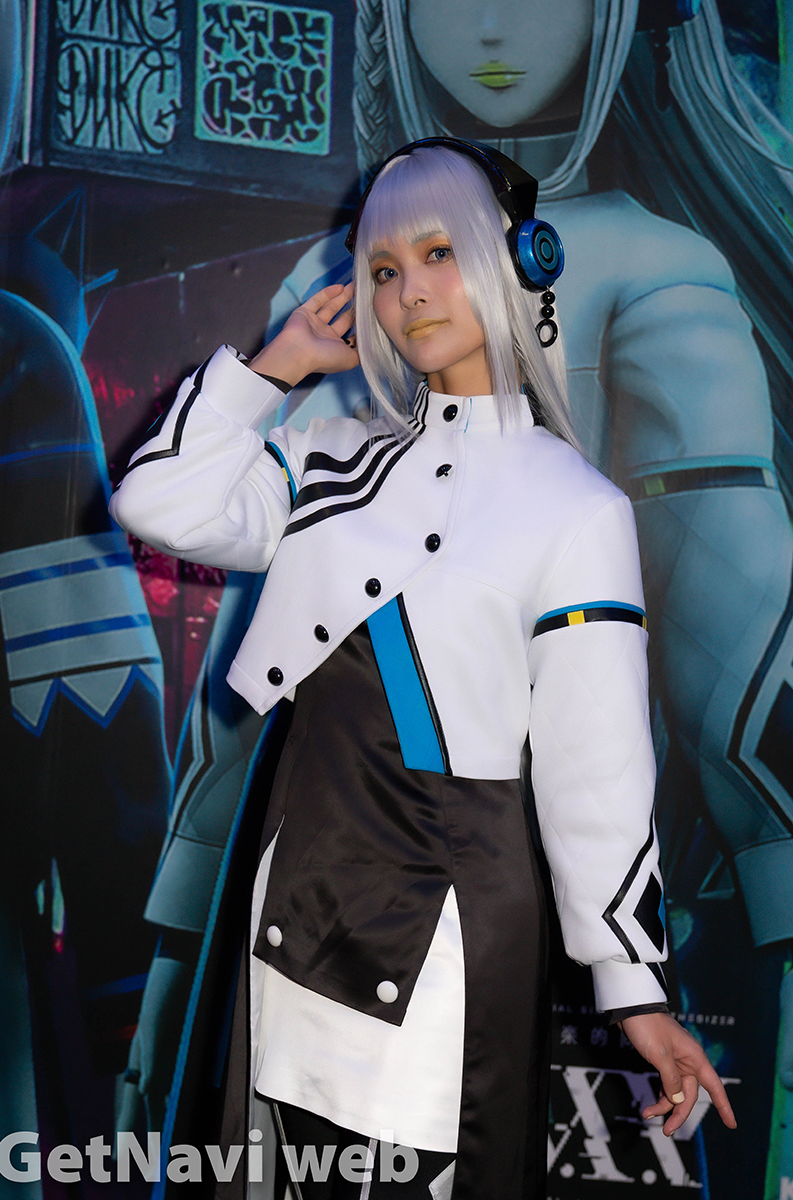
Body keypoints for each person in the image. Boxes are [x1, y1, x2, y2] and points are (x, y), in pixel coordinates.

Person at [110, 140, 735, 1198]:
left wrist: (635, 992)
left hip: (450, 929)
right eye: (384, 268)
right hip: (293, 895)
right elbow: (156, 501)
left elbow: (594, 770)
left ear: (514, 260)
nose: (408, 292)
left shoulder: (575, 507)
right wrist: (276, 367)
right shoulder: (330, 461)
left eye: (439, 253)